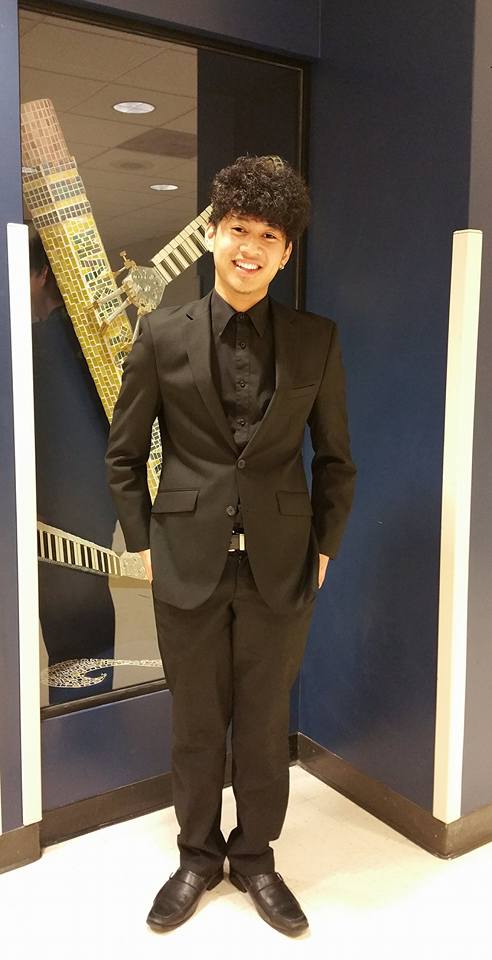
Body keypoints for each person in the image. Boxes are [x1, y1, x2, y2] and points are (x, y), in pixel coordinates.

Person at [106, 155, 357, 936]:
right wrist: (143, 541)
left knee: (262, 720)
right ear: (215, 234)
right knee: (195, 721)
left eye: (269, 236)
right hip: (184, 558)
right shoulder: (161, 334)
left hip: (283, 563)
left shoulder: (316, 340)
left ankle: (255, 858)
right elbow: (124, 455)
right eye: (240, 229)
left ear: (286, 254)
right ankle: (196, 855)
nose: (251, 247)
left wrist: (325, 544)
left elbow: (337, 459)